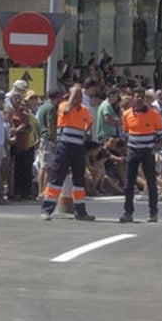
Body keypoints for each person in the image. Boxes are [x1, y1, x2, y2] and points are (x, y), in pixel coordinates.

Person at [41, 84, 95, 221]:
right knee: (56, 178)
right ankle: (47, 210)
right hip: (64, 147)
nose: (78, 98)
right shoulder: (64, 105)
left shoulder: (84, 110)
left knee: (79, 181)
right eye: (76, 95)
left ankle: (80, 211)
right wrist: (72, 96)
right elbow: (65, 112)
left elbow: (89, 124)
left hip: (78, 148)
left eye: (80, 95)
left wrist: (86, 134)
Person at [119, 88, 162, 223]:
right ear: (133, 99)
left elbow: (161, 135)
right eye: (136, 97)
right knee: (129, 183)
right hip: (133, 151)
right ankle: (128, 212)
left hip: (147, 151)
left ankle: (153, 212)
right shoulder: (127, 114)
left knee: (151, 182)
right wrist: (128, 148)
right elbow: (126, 133)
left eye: (141, 97)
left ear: (144, 99)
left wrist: (155, 148)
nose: (138, 99)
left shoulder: (154, 114)